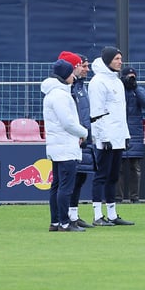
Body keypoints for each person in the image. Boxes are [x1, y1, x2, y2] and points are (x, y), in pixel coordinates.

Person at [88, 46, 134, 226]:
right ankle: (98, 215)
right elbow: (96, 112)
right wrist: (102, 136)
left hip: (118, 136)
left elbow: (120, 113)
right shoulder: (98, 82)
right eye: (116, 58)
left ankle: (113, 214)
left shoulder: (116, 81)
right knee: (101, 175)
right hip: (105, 138)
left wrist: (125, 134)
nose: (120, 62)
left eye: (120, 58)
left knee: (114, 175)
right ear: (107, 60)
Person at [43, 59, 89, 232]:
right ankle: (64, 222)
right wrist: (84, 132)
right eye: (70, 73)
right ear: (64, 75)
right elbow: (68, 122)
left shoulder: (53, 94)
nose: (73, 76)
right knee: (65, 187)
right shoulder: (60, 95)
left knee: (56, 186)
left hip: (57, 146)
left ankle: (55, 222)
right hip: (65, 147)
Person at [55, 52, 95, 230]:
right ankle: (65, 219)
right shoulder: (67, 89)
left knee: (79, 179)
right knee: (69, 181)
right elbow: (68, 119)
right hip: (74, 139)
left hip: (83, 137)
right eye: (83, 65)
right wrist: (80, 133)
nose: (86, 69)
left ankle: (73, 215)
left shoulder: (80, 87)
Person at [118, 66, 145, 204]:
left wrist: (135, 88)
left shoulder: (138, 90)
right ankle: (117, 198)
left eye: (133, 76)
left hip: (135, 133)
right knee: (118, 168)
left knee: (135, 168)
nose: (131, 78)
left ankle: (134, 197)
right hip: (119, 131)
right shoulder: (118, 90)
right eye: (129, 76)